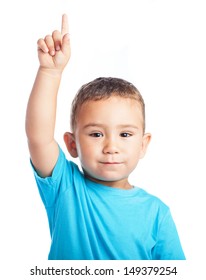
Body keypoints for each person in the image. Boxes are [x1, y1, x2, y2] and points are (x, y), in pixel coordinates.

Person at [25, 14, 185, 260]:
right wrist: (50, 73)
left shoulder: (157, 214)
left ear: (143, 145)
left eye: (125, 134)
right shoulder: (66, 188)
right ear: (72, 144)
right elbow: (39, 137)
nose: (112, 147)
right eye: (97, 134)